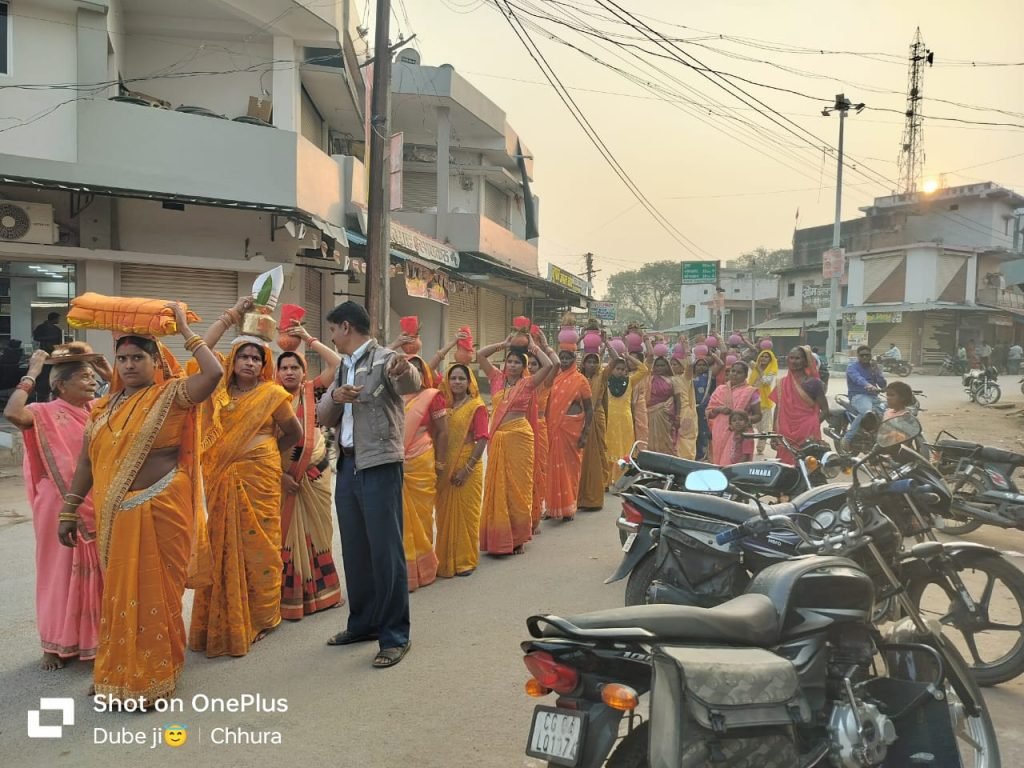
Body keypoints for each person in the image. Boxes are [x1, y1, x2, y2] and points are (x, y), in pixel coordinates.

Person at [56, 303, 223, 706]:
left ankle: (155, 676)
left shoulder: (171, 395)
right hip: (116, 516)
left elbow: (214, 374)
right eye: (123, 358)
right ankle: (117, 671)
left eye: (138, 358)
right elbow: (87, 462)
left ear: (154, 362)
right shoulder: (101, 408)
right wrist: (69, 508)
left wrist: (185, 330)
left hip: (160, 508)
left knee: (155, 597)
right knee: (116, 599)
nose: (129, 365)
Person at [188, 299, 303, 658]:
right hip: (222, 475)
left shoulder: (271, 395)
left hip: (261, 475)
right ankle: (221, 616)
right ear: (232, 361)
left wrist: (264, 449)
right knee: (220, 545)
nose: (250, 363)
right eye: (244, 357)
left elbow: (294, 432)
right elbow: (200, 353)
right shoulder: (217, 392)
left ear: (264, 364)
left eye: (257, 358)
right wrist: (229, 317)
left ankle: (263, 616)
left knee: (262, 548)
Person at [318, 302, 420, 669]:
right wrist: (335, 396)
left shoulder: (386, 358)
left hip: (379, 464)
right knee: (356, 551)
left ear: (346, 327)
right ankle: (362, 624)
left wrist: (405, 367)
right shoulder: (343, 366)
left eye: (333, 329)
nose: (331, 336)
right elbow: (322, 415)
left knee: (385, 553)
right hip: (347, 464)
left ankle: (394, 636)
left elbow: (409, 382)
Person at [6, 346, 103, 670]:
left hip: (93, 500)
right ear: (61, 384)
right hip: (56, 503)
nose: (91, 382)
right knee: (57, 572)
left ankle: (92, 640)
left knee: (96, 573)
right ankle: (52, 645)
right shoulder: (44, 412)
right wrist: (32, 372)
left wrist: (102, 367)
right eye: (84, 377)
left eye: (92, 377)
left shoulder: (97, 410)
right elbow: (12, 414)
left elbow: (127, 400)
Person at [275, 326, 344, 621]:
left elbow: (338, 364)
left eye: (295, 367)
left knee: (318, 534)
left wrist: (308, 339)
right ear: (276, 373)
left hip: (315, 475)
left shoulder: (313, 391)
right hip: (281, 478)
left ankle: (323, 593)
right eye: (284, 368)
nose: (290, 372)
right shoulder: (269, 396)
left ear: (304, 373)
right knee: (284, 538)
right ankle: (286, 598)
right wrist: (281, 477)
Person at [477, 334, 553, 555]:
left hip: (520, 437)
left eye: (517, 362)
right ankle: (496, 536)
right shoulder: (495, 379)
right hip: (499, 437)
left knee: (518, 489)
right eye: (509, 361)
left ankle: (518, 537)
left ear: (523, 366)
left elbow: (548, 365)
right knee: (497, 487)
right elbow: (480, 355)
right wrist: (505, 344)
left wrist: (533, 347)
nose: (512, 365)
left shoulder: (528, 383)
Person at [398, 354, 449, 591]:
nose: (413, 373)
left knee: (422, 514)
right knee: (399, 517)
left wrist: (440, 463)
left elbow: (442, 432)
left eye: (417, 368)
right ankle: (403, 570)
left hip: (422, 459)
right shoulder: (394, 396)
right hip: (396, 461)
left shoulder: (432, 396)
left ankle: (426, 569)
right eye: (408, 368)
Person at [435, 363, 488, 578]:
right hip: (446, 465)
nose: (457, 382)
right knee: (444, 515)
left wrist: (466, 469)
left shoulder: (477, 406)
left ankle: (465, 560)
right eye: (453, 378)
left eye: (461, 379)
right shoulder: (443, 406)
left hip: (468, 465)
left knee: (467, 515)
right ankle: (446, 560)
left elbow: (482, 438)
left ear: (469, 382)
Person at [545, 344, 594, 522]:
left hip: (572, 431)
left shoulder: (581, 380)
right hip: (553, 429)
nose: (564, 361)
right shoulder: (554, 378)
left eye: (568, 358)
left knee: (570, 470)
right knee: (551, 469)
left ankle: (569, 507)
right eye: (562, 357)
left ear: (574, 360)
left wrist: (585, 433)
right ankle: (551, 508)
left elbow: (589, 410)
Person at [772, 346, 828, 465]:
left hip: (807, 433)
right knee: (786, 469)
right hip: (785, 433)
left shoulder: (813, 383)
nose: (793, 361)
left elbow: (825, 410)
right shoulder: (782, 383)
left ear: (805, 361)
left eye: (797, 358)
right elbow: (778, 408)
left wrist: (812, 425)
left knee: (809, 466)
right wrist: (774, 434)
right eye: (791, 358)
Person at [603, 347, 648, 482]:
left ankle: (620, 479)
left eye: (624, 369)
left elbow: (644, 370)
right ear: (612, 369)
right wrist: (606, 348)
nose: (621, 371)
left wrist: (628, 357)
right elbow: (599, 368)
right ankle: (606, 479)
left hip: (625, 422)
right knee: (608, 448)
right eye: (618, 368)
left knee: (624, 448)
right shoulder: (605, 380)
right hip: (609, 420)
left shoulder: (630, 381)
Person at [526, 341, 557, 529]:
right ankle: (525, 514)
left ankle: (537, 512)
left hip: (540, 427)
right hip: (522, 428)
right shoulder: (521, 383)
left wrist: (542, 346)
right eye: (528, 364)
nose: (530, 367)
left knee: (540, 470)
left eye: (534, 364)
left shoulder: (545, 383)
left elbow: (555, 364)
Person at [707, 362, 761, 466]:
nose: (735, 374)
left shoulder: (750, 392)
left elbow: (758, 415)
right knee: (717, 463)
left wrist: (742, 421)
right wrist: (718, 409)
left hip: (739, 436)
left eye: (739, 372)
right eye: (733, 371)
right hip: (719, 433)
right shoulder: (720, 390)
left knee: (733, 464)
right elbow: (709, 413)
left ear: (745, 375)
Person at [578, 351, 609, 511]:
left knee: (597, 455)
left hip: (596, 417)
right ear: (583, 363)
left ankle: (595, 496)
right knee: (580, 459)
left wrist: (607, 345)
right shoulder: (578, 378)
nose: (592, 364)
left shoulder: (601, 377)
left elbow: (616, 359)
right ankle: (579, 496)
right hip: (578, 419)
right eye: (588, 361)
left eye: (594, 361)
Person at [748, 349, 778, 456]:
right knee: (751, 424)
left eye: (766, 357)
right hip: (752, 400)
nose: (763, 359)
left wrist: (759, 370)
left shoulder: (771, 371)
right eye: (762, 356)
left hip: (765, 401)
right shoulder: (755, 367)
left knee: (764, 427)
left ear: (770, 360)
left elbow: (766, 382)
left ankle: (760, 448)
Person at [668, 354, 698, 460]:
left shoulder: (685, 377)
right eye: (670, 364)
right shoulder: (669, 379)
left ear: (682, 366)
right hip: (671, 411)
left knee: (686, 440)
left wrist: (686, 350)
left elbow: (690, 364)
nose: (672, 366)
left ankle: (687, 462)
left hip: (685, 413)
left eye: (675, 364)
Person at [692, 355, 720, 461]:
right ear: (694, 366)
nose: (701, 367)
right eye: (699, 365)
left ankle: (703, 455)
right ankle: (694, 454)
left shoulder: (708, 376)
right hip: (691, 408)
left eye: (704, 365)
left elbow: (720, 364)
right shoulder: (689, 377)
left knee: (704, 431)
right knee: (693, 431)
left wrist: (714, 354)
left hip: (704, 407)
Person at [847, 345, 887, 416]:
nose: (864, 357)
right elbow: (858, 378)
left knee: (887, 413)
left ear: (871, 356)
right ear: (858, 356)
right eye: (862, 355)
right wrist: (868, 385)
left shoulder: (873, 367)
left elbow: (883, 385)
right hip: (858, 396)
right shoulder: (852, 367)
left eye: (867, 355)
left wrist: (876, 371)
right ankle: (853, 428)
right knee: (868, 414)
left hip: (874, 397)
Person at [33, 312, 64, 402]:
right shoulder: (43, 328)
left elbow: (59, 342)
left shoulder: (56, 329)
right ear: (53, 319)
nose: (58, 320)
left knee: (49, 375)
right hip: (47, 353)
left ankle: (47, 395)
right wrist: (49, 338)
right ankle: (44, 396)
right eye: (57, 319)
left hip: (51, 353)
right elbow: (36, 337)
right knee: (45, 375)